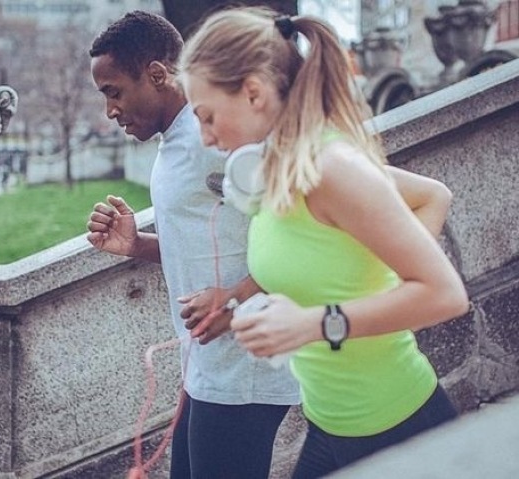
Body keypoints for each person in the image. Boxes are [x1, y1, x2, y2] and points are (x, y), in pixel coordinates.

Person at [178, 6, 470, 479]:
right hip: (329, 426)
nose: (207, 139)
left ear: (252, 92)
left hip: (398, 427)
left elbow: (446, 294)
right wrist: (243, 309)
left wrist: (322, 321)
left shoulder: (332, 167)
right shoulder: (274, 171)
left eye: (207, 117)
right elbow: (426, 197)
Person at [86, 11, 300, 479]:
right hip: (206, 366)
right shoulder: (179, 138)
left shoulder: (218, 137)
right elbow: (214, 241)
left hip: (246, 368)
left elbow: (304, 240)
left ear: (157, 75)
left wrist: (236, 301)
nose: (110, 110)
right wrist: (138, 244)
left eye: (114, 91)